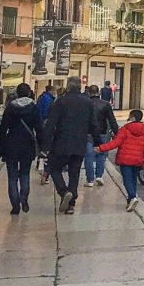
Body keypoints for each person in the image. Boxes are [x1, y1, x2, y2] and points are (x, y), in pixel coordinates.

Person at [42, 76, 96, 214]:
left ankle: (63, 191)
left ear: (68, 86)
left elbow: (50, 124)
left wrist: (44, 145)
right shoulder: (88, 103)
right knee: (74, 172)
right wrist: (99, 142)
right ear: (80, 86)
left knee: (54, 169)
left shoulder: (60, 102)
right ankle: (71, 204)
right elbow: (94, 125)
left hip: (61, 143)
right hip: (79, 143)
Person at [97, 109, 144, 212]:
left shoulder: (125, 129)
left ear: (132, 118)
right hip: (138, 160)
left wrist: (101, 148)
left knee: (127, 180)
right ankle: (130, 200)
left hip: (125, 160)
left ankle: (132, 197)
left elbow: (115, 143)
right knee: (133, 180)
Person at [0, 83, 41, 215]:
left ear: (17, 93)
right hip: (27, 145)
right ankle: (24, 198)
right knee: (24, 173)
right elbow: (39, 128)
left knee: (12, 177)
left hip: (11, 144)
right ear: (29, 93)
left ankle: (15, 204)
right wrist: (42, 145)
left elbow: (3, 128)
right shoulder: (33, 108)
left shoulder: (11, 107)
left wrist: (0, 145)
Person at [85, 85, 119, 189]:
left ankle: (90, 179)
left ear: (89, 93)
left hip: (88, 133)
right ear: (98, 93)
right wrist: (116, 132)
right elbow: (112, 120)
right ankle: (99, 175)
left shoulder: (85, 104)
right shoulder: (106, 104)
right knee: (101, 154)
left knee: (89, 155)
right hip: (102, 132)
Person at [35, 84, 55, 185]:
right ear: (51, 91)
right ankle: (45, 171)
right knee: (48, 147)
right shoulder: (48, 99)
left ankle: (40, 163)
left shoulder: (41, 97)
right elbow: (47, 111)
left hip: (41, 123)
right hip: (46, 122)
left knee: (43, 145)